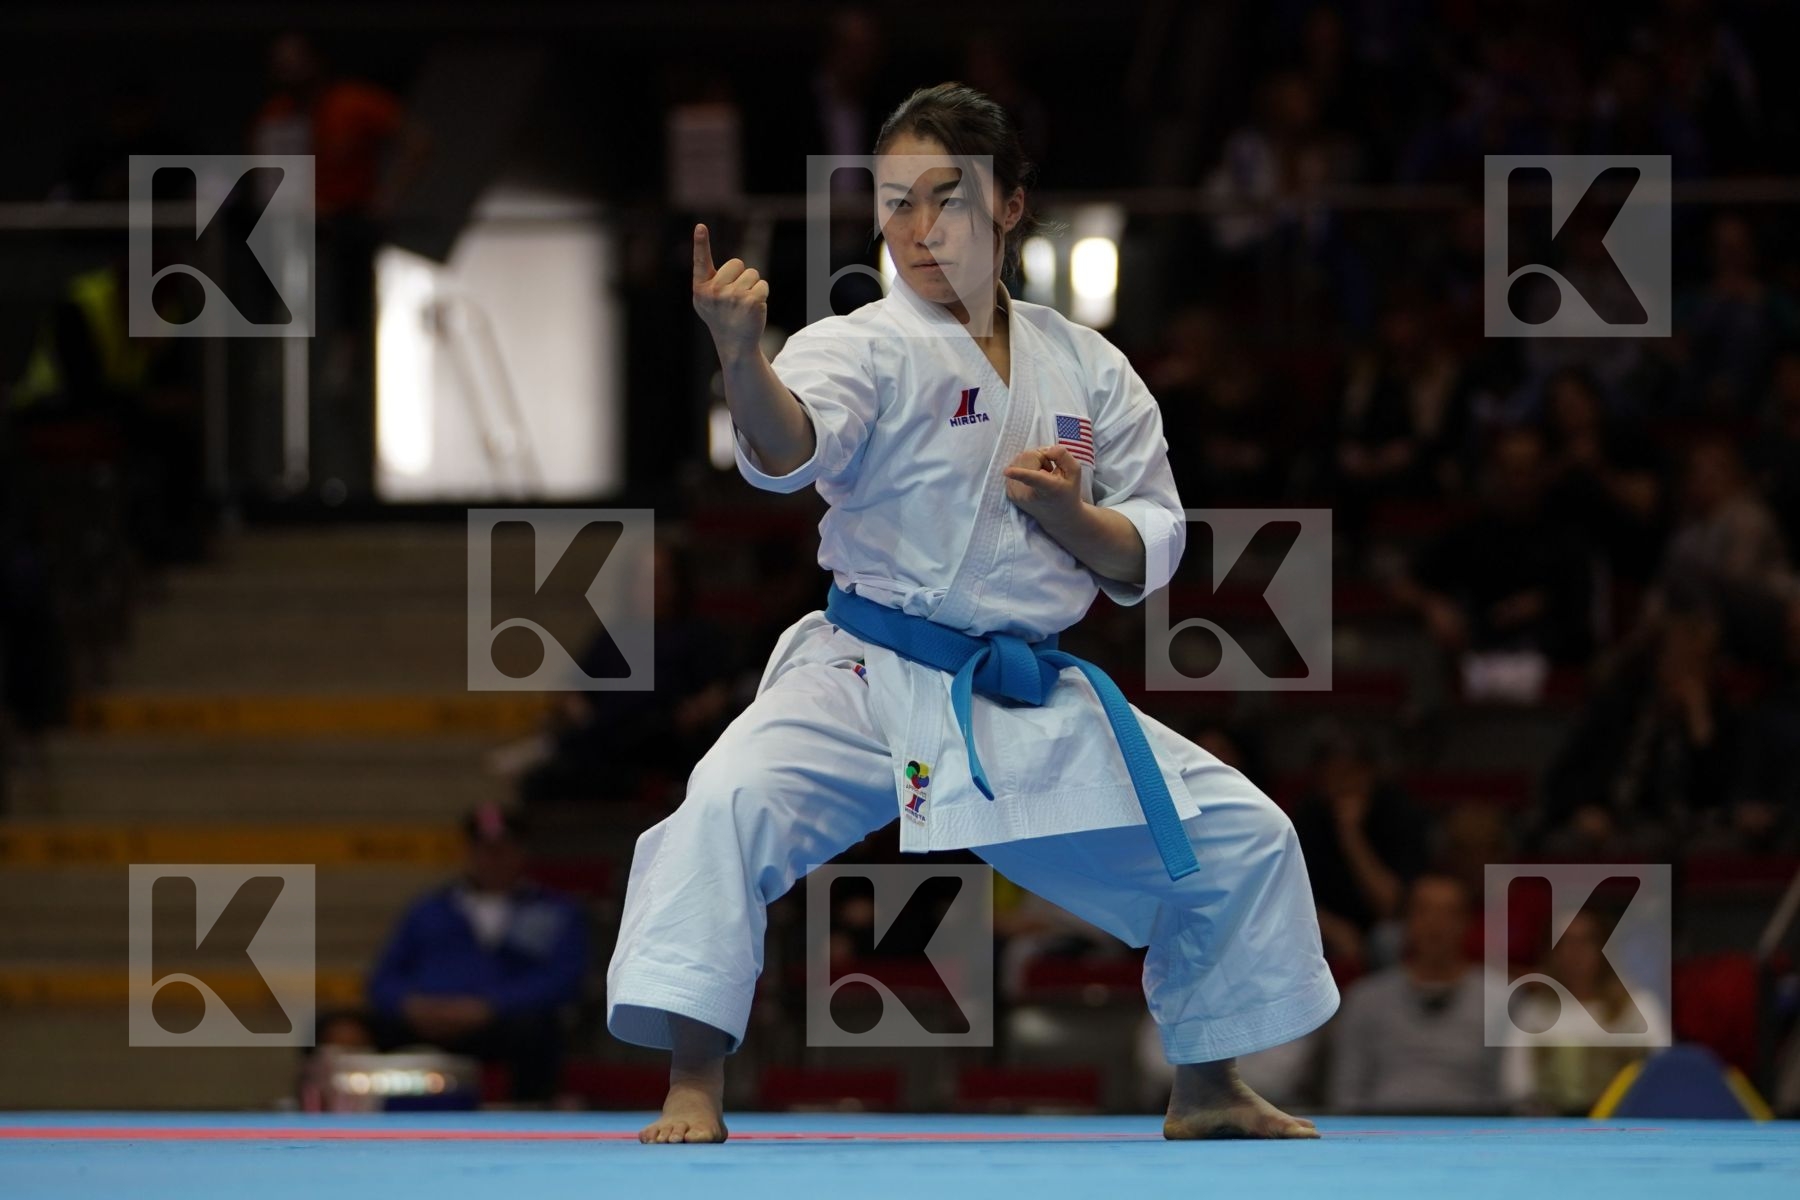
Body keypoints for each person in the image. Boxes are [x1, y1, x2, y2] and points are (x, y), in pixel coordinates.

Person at [606, 83, 1338, 1145]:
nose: (914, 229)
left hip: (1018, 687)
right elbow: (784, 447)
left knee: (1243, 838)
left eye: (945, 199)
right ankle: (693, 1081)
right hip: (864, 671)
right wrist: (738, 356)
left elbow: (1154, 542)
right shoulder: (863, 344)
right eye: (895, 202)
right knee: (722, 803)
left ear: (1009, 207)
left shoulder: (1092, 368)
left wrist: (1074, 518)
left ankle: (1210, 1083)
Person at [366, 804, 587, 1102]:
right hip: (427, 1019)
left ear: (521, 851)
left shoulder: (553, 910)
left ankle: (530, 1116)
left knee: (537, 1033)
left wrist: (490, 1006)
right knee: (343, 1027)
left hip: (504, 1023)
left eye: (502, 849)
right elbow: (384, 977)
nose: (492, 860)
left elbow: (564, 977)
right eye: (484, 849)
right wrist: (412, 1005)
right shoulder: (429, 909)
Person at [1327, 875, 1512, 1114]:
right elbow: (1345, 1092)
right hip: (1380, 1133)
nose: (1436, 924)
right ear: (1405, 922)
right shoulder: (1365, 999)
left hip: (1473, 1133)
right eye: (1424, 911)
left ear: (1468, 922)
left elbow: (1506, 1092)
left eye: (1449, 913)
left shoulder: (1500, 997)